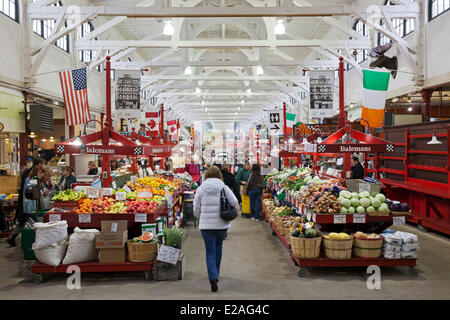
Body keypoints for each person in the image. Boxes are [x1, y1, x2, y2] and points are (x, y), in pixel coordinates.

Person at [194, 165, 238, 293]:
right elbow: (234, 202)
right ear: (220, 175)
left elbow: (196, 207)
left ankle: (212, 278)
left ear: (206, 175)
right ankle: (216, 274)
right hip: (221, 225)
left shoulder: (201, 188)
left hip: (206, 226)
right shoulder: (223, 187)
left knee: (209, 251)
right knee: (218, 248)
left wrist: (198, 219)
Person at [8, 157, 44, 246]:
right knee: (26, 224)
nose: (42, 175)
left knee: (24, 223)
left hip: (29, 208)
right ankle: (28, 242)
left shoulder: (30, 178)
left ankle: (17, 238)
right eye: (41, 173)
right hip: (30, 209)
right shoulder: (32, 181)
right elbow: (30, 196)